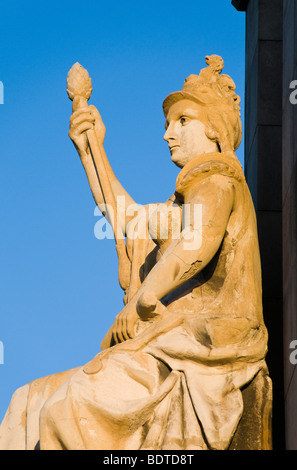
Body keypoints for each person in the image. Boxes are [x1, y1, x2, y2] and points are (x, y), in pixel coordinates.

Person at [0, 55, 271, 450]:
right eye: (167, 125)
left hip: (206, 343)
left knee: (68, 407)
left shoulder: (217, 180)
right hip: (169, 340)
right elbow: (126, 218)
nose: (167, 134)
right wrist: (91, 149)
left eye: (182, 121)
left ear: (215, 130)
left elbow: (193, 249)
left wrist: (141, 299)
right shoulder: (182, 201)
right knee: (25, 405)